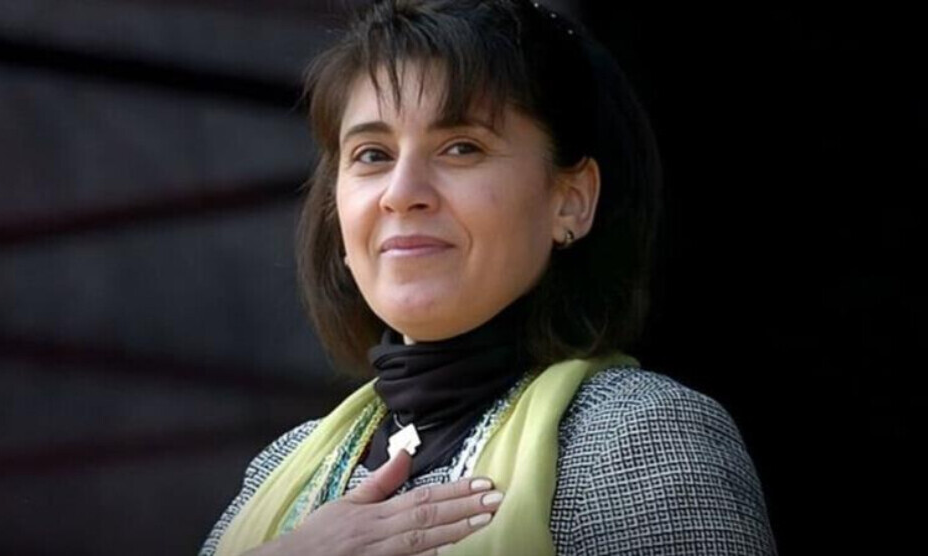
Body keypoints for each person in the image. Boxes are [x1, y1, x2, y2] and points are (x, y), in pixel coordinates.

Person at [202, 1, 777, 554]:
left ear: (570, 201)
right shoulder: (277, 470)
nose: (401, 194)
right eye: (373, 155)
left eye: (461, 147)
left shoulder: (636, 438)